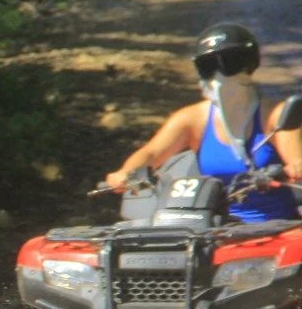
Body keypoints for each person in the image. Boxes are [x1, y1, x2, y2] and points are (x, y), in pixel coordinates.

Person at [104, 22, 302, 222]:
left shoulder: (275, 115)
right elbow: (152, 153)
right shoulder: (192, 119)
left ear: (249, 63)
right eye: (208, 66)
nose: (218, 74)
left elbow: (295, 156)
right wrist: (126, 173)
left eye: (230, 62)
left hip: (276, 227)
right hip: (214, 227)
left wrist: (295, 167)